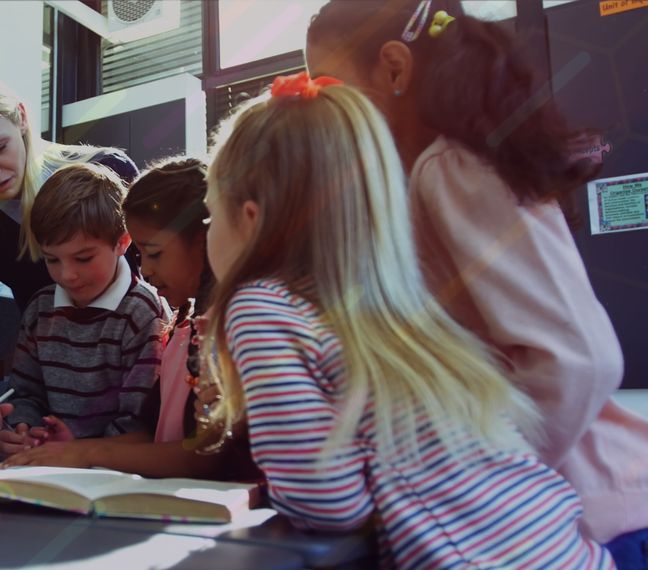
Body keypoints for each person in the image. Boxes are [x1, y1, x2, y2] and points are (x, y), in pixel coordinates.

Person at [200, 72, 612, 567]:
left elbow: (330, 503)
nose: (207, 232)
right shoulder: (408, 318)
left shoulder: (259, 306)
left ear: (251, 219)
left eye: (208, 216)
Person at [306, 0, 648, 559]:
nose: (324, 113)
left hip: (588, 517)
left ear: (394, 69)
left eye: (329, 89)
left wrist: (476, 480)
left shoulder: (451, 169)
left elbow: (580, 358)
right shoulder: (432, 174)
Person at [0, 63, 138, 397]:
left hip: (138, 375)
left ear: (20, 117)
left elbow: (157, 291)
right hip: (52, 390)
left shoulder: (109, 171)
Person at [4, 158, 230, 477]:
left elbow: (200, 454)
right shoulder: (185, 326)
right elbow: (24, 392)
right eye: (53, 259)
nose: (147, 269)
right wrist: (50, 439)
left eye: (153, 253)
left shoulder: (202, 326)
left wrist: (85, 452)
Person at [0, 163, 167, 458]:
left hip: (111, 471)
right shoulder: (42, 308)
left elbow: (141, 426)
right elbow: (25, 394)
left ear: (122, 242)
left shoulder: (142, 314)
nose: (67, 275)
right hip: (51, 465)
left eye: (83, 258)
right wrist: (22, 429)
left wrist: (75, 450)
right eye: (52, 260)